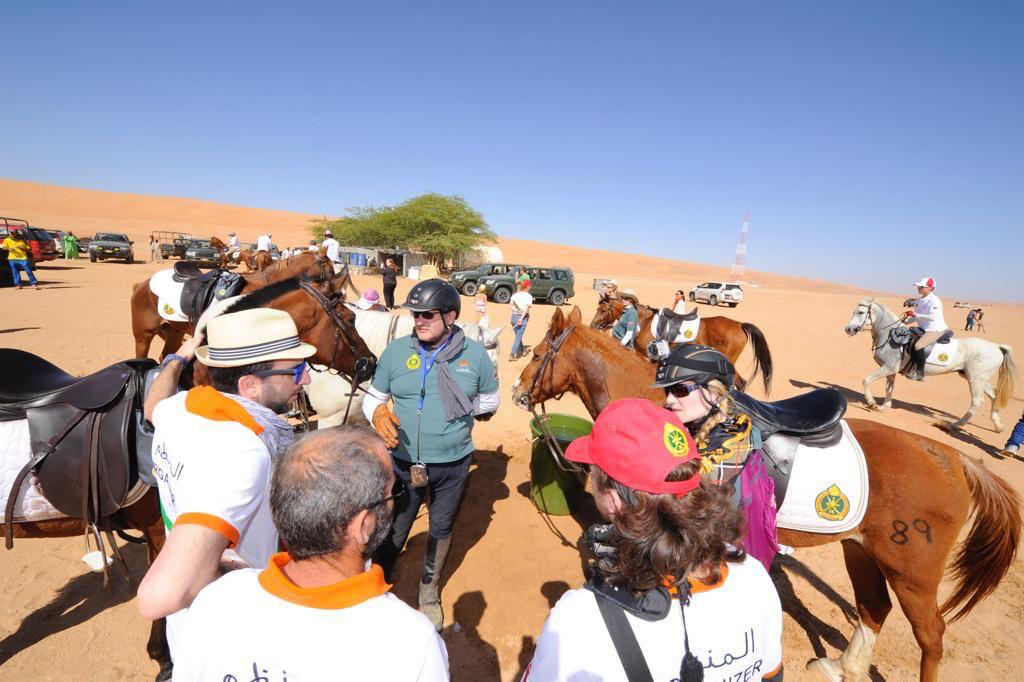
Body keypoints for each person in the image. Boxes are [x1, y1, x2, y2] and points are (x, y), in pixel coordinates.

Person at [525, 399, 783, 682]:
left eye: (593, 473)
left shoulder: (579, 623)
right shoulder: (754, 577)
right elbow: (772, 675)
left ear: (612, 500)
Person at [171, 427, 450, 681]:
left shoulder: (215, 599)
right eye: (394, 492)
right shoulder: (408, 642)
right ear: (364, 525)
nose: (395, 500)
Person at [137, 307, 316, 660]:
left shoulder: (184, 407)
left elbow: (152, 403)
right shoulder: (243, 450)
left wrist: (179, 357)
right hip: (232, 636)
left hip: (188, 630)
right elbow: (163, 593)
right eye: (296, 370)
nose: (306, 379)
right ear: (249, 386)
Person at [361, 279, 499, 631]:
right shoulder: (395, 352)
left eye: (427, 315)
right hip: (403, 462)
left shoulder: (476, 356)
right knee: (395, 525)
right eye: (415, 314)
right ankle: (375, 586)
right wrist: (377, 413)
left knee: (441, 525)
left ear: (451, 316)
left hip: (453, 463)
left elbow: (489, 402)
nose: (418, 320)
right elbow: (374, 396)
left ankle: (428, 592)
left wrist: (458, 410)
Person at [652, 345, 780, 569]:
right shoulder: (699, 425)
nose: (670, 400)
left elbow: (682, 516)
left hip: (714, 562)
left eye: (680, 390)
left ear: (713, 393)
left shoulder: (724, 449)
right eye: (668, 391)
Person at [902, 276, 948, 381]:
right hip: (923, 328)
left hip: (935, 328)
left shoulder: (934, 300)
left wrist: (915, 314)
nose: (919, 288)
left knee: (919, 345)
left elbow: (934, 317)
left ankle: (920, 373)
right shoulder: (918, 300)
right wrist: (906, 321)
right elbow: (916, 317)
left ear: (930, 288)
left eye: (922, 287)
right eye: (919, 286)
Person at [509, 279, 533, 360]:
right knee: (518, 337)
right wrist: (521, 318)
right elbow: (526, 309)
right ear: (527, 287)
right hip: (522, 318)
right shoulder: (529, 296)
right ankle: (512, 354)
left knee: (518, 336)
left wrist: (516, 311)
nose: (530, 286)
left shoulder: (515, 295)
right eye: (530, 285)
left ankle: (523, 350)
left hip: (514, 317)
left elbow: (510, 305)